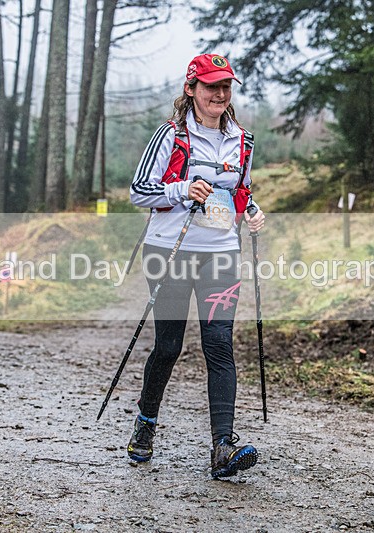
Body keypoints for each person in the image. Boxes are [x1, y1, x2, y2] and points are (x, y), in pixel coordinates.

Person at [127, 53, 266, 479]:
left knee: (219, 344)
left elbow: (238, 192)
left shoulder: (242, 140)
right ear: (191, 90)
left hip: (221, 254)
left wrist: (253, 209)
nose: (220, 94)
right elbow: (139, 191)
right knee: (169, 346)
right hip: (168, 251)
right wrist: (184, 189)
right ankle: (145, 425)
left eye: (225, 86)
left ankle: (223, 448)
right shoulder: (171, 135)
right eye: (210, 86)